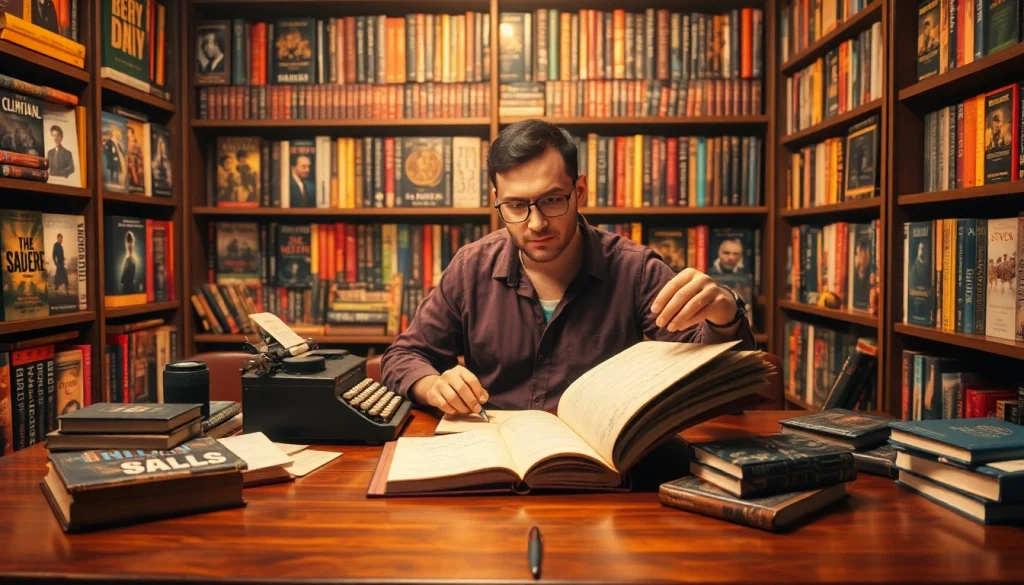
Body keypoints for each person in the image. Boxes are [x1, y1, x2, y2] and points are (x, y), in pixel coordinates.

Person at [381, 120, 755, 415]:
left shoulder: (635, 271)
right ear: (496, 199)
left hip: (602, 472)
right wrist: (434, 387)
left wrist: (724, 315)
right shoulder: (471, 268)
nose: (536, 223)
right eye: (515, 206)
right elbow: (403, 356)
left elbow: (712, 380)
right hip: (492, 466)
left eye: (552, 199)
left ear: (579, 192)